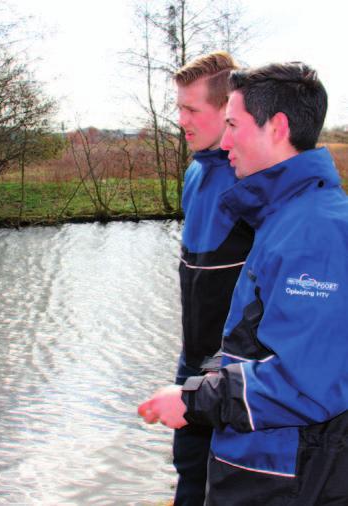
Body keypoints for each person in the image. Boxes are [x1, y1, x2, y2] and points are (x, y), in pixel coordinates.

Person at [138, 62, 348, 505]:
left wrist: (194, 400)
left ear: (278, 127)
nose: (226, 141)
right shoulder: (283, 217)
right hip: (260, 459)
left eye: (233, 124)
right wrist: (202, 381)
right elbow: (256, 342)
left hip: (284, 472)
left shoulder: (314, 233)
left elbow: (306, 384)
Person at [169, 51, 254, 506]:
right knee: (187, 472)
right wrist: (188, 366)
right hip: (193, 364)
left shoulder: (251, 181)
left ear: (227, 110)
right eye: (179, 107)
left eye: (191, 109)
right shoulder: (194, 172)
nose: (180, 119)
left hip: (234, 378)